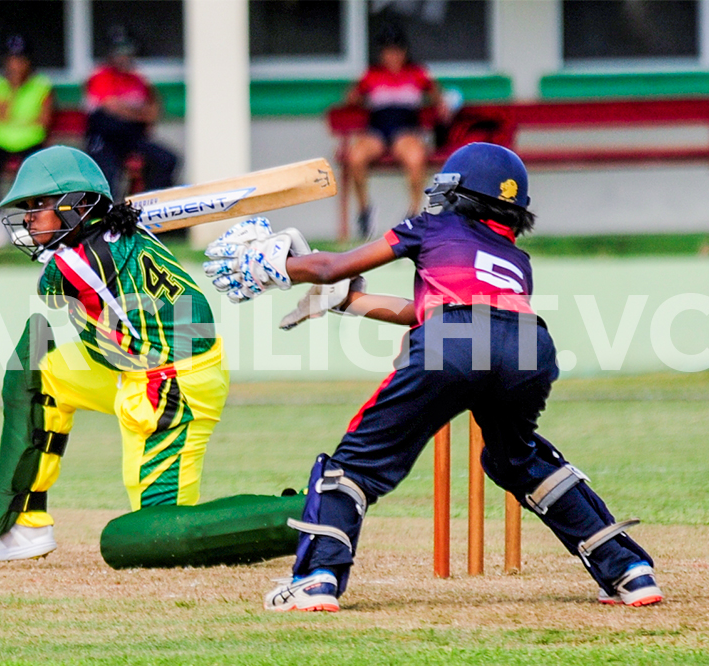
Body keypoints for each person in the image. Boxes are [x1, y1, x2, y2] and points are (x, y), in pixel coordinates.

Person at [202, 142, 663, 612]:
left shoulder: (431, 225)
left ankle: (317, 579)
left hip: (453, 342)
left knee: (357, 464)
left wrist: (275, 266)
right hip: (528, 346)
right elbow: (426, 311)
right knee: (517, 460)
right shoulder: (513, 257)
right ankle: (628, 570)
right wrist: (347, 302)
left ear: (460, 193)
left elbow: (331, 266)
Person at [0, 145, 228, 562]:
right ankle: (25, 528)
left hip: (172, 384)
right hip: (133, 366)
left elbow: (52, 289)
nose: (29, 218)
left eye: (39, 205)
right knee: (43, 372)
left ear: (77, 206)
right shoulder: (127, 231)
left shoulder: (72, 265)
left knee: (157, 535)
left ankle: (296, 515)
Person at [345, 23, 452, 237]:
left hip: (405, 130)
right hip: (377, 131)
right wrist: (356, 94)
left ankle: (414, 212)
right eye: (387, 51)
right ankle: (364, 209)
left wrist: (441, 105)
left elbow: (438, 97)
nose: (392, 55)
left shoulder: (418, 73)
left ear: (404, 51)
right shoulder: (371, 75)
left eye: (396, 50)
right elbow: (351, 99)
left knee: (415, 158)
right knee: (355, 156)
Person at [83, 27, 177, 200]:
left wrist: (129, 111)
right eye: (119, 51)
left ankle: (151, 210)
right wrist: (137, 112)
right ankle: (105, 221)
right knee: (107, 175)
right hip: (105, 140)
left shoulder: (137, 79)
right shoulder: (100, 76)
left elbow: (153, 111)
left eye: (127, 50)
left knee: (167, 159)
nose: (124, 55)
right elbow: (111, 107)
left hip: (132, 139)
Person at [0, 35, 55, 249]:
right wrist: (14, 91)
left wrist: (15, 119)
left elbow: (44, 120)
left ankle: (31, 221)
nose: (16, 64)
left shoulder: (41, 85)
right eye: (12, 59)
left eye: (21, 59)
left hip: (31, 140)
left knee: (36, 175)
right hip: (0, 140)